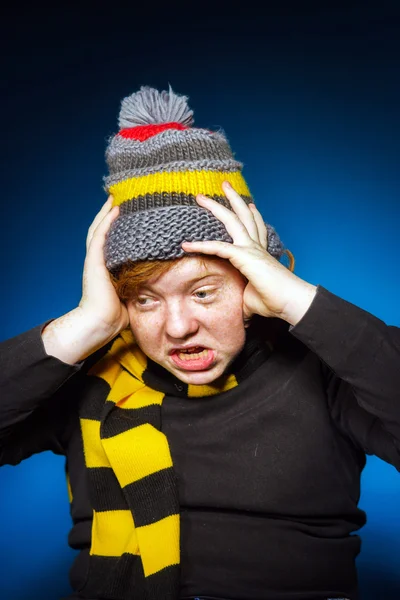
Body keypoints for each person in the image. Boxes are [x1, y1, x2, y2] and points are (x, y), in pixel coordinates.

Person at [0, 85, 399, 600]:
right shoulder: (93, 381)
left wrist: (299, 301)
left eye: (204, 292)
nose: (178, 326)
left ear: (252, 284)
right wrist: (85, 325)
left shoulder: (326, 372)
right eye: (145, 300)